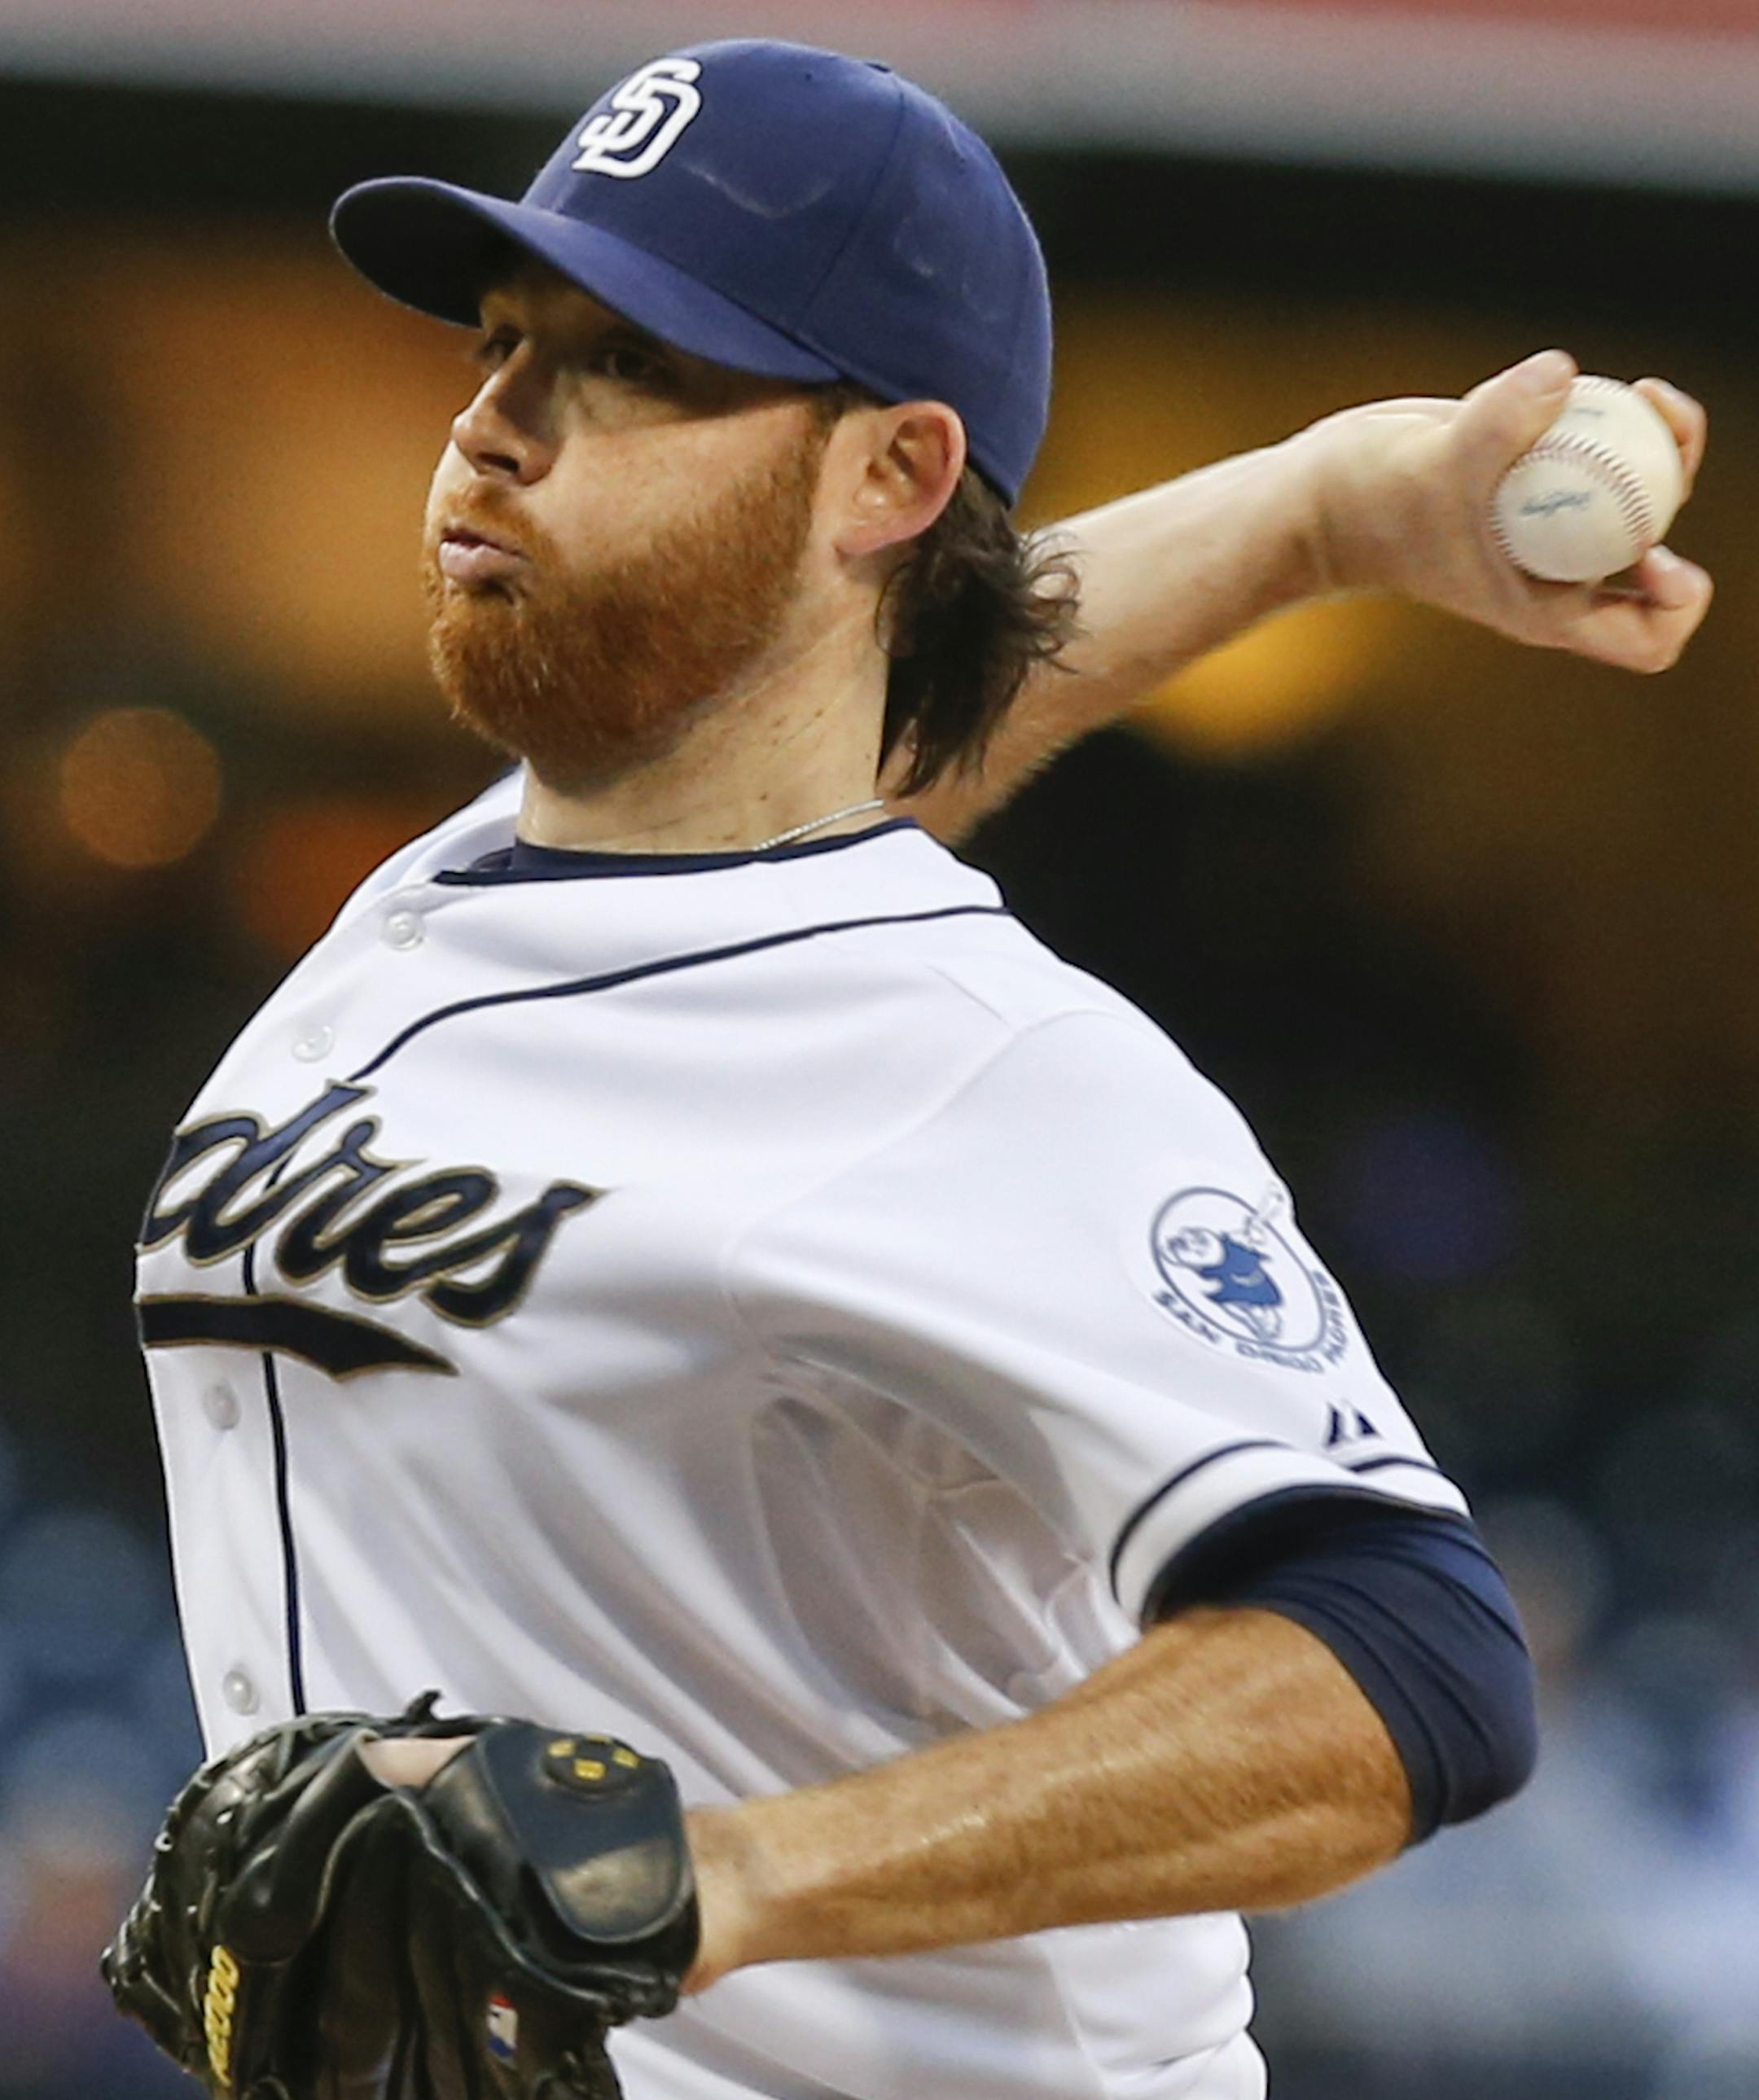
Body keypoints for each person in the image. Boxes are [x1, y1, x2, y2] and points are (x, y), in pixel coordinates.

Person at [133, 37, 1711, 2100]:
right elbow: (843, 724)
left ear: (889, 475)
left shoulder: (985, 1067)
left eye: (625, 365)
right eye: (500, 343)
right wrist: (1317, 514)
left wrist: (718, 1878)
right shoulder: (486, 880)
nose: (493, 429)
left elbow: (1411, 1667)